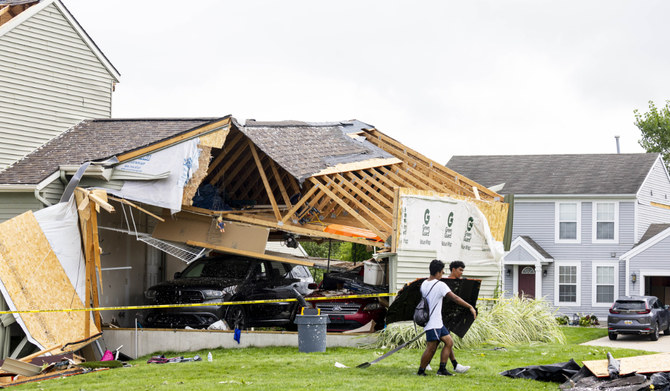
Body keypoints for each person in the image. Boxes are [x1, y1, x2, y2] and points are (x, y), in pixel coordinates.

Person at [417, 259, 477, 376]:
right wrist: (470, 306)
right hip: (432, 323)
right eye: (442, 271)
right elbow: (455, 298)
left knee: (449, 342)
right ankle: (421, 371)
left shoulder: (424, 283)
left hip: (438, 322)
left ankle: (442, 369)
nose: (443, 273)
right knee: (431, 348)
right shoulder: (440, 285)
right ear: (438, 272)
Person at [445, 260, 470, 374]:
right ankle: (455, 365)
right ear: (453, 269)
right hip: (441, 316)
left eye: (462, 270)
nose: (461, 273)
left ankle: (455, 365)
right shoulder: (444, 282)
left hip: (451, 315)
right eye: (460, 270)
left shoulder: (461, 284)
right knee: (445, 341)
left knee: (443, 341)